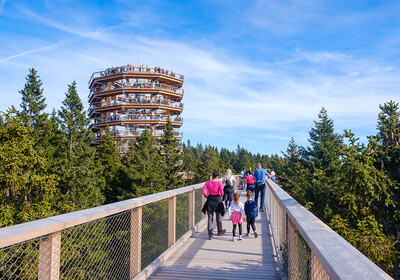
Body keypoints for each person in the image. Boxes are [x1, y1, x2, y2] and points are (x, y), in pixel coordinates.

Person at [202, 170, 226, 240]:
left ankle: (210, 234)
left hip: (210, 200)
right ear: (217, 176)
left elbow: (203, 191)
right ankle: (219, 230)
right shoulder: (219, 183)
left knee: (210, 217)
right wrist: (220, 196)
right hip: (217, 200)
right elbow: (222, 192)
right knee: (218, 216)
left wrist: (206, 196)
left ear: (212, 176)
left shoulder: (207, 183)